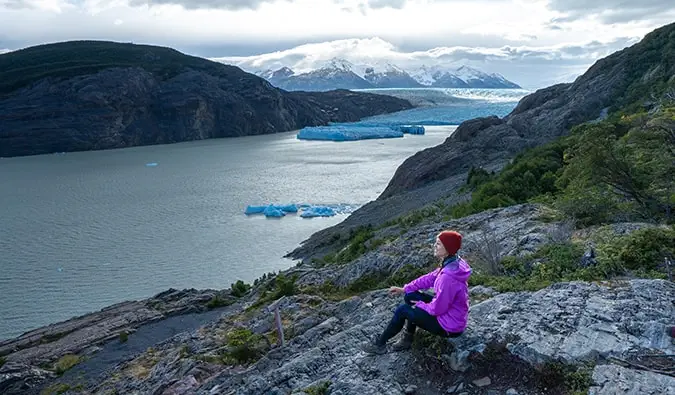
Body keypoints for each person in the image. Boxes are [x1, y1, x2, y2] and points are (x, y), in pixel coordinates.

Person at [362, 230, 472, 355]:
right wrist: (405, 289)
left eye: (439, 244)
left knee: (403, 309)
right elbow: (430, 278)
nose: (434, 246)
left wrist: (420, 305)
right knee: (410, 295)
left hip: (449, 326)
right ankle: (408, 339)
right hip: (449, 314)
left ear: (448, 248)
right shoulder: (453, 262)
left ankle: (380, 344)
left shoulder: (448, 277)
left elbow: (438, 309)